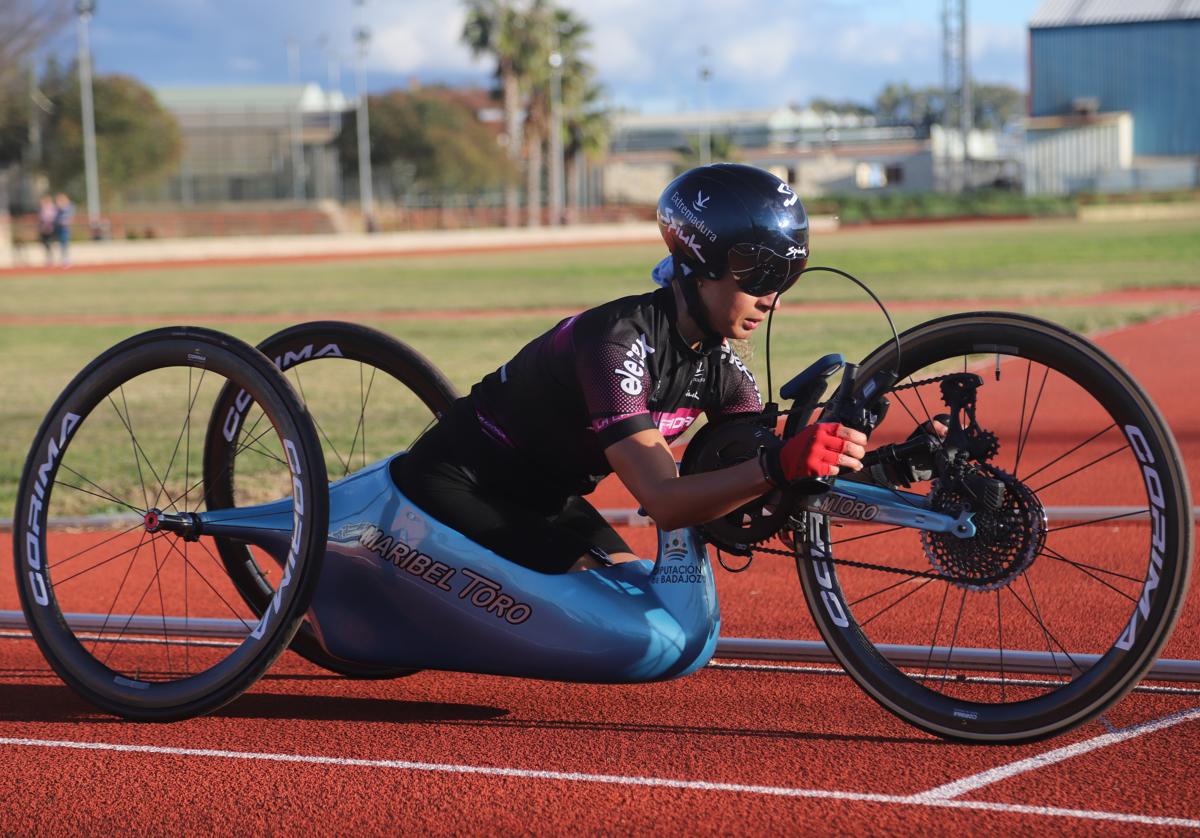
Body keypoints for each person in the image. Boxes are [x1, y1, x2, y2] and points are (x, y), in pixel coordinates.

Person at [397, 163, 869, 573]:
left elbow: (764, 477)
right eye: (762, 277)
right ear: (701, 264)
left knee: (634, 594)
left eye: (787, 278)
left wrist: (875, 470)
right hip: (463, 481)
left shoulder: (723, 368)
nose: (775, 301)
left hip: (550, 501)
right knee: (595, 609)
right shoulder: (616, 342)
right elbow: (664, 500)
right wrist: (778, 465)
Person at [53, 193, 75, 267]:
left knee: (64, 243)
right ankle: (62, 259)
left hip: (65, 228)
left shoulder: (69, 207)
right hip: (58, 227)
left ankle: (66, 260)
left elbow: (68, 213)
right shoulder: (57, 208)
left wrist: (61, 205)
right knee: (59, 244)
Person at [37, 195, 57, 267]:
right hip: (43, 230)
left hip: (50, 229)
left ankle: (50, 259)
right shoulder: (41, 209)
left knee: (49, 244)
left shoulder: (51, 208)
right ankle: (48, 259)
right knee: (45, 244)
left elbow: (52, 218)